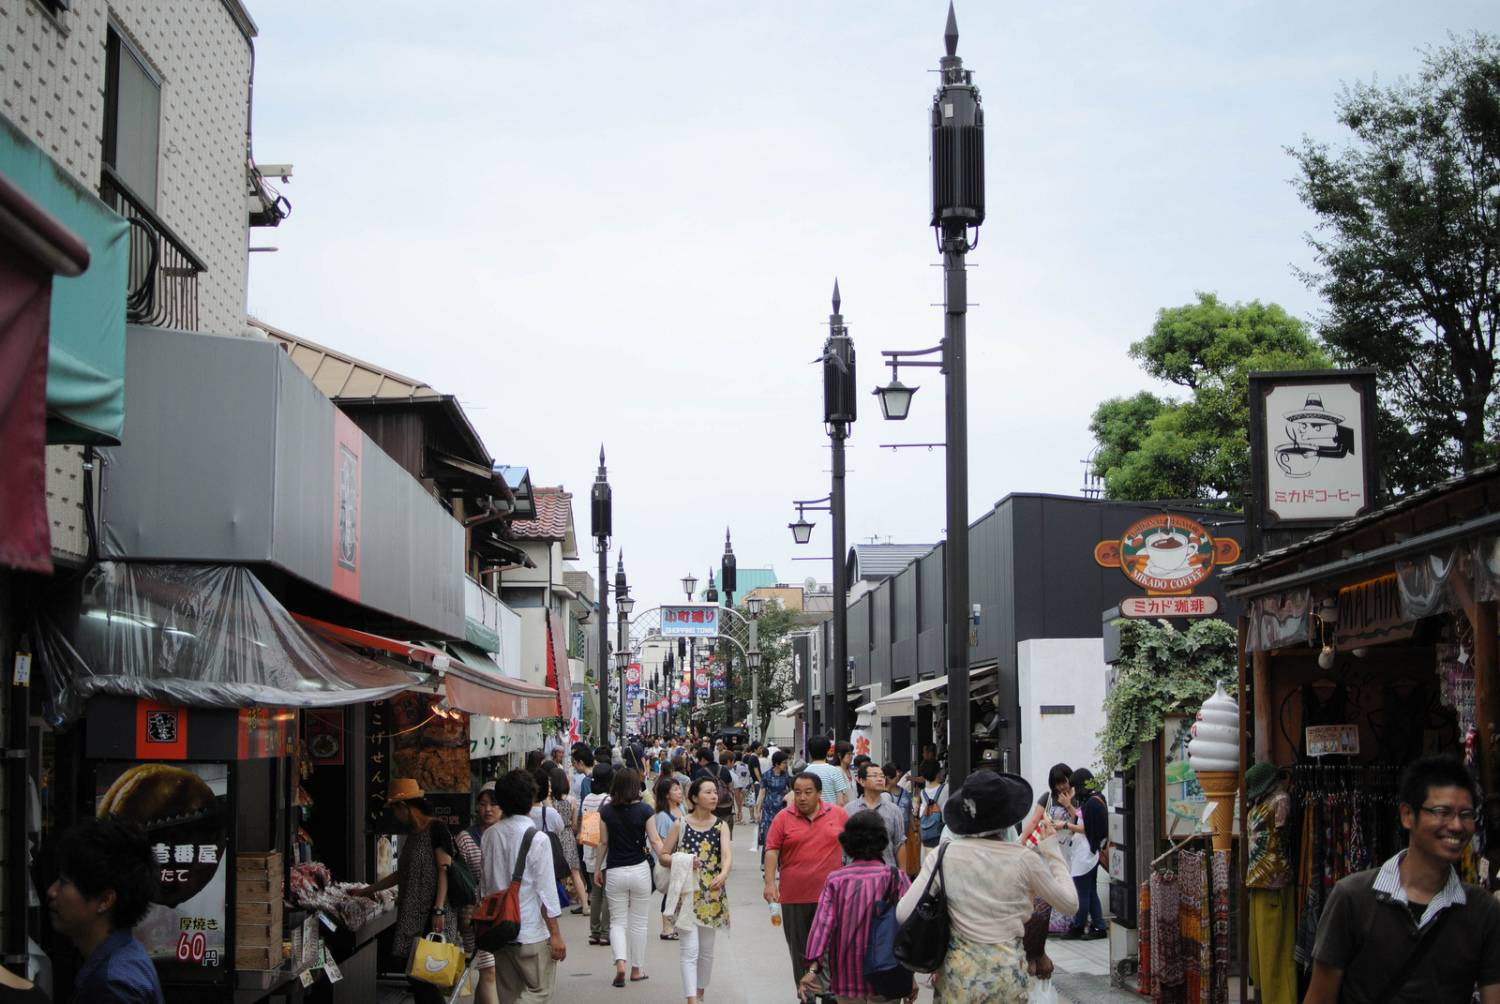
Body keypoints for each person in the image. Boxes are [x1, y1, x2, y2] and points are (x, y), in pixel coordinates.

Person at [1304, 756, 1500, 1004]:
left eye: (1466, 814)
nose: (1457, 825)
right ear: (1407, 815)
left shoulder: (1483, 910)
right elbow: (1320, 998)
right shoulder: (1352, 898)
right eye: (1442, 812)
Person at [896, 771, 1077, 1003]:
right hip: (1006, 975)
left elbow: (903, 913)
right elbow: (1070, 904)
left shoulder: (943, 855)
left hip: (957, 977)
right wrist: (1051, 850)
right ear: (1008, 814)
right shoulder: (1023, 859)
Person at [355, 779, 458, 1004]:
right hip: (412, 914)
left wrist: (438, 910)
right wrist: (367, 890)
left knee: (424, 975)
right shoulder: (413, 833)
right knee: (415, 973)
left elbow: (444, 870)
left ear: (404, 807)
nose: (395, 815)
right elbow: (401, 874)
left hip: (431, 914)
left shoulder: (436, 828)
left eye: (394, 809)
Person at [799, 811, 913, 1004]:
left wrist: (812, 968)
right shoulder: (895, 878)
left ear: (847, 842)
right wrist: (910, 974)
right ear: (882, 841)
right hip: (888, 974)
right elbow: (911, 927)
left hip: (847, 976)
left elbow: (822, 926)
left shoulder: (836, 880)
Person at [46, 817, 163, 1004]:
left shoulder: (112, 986)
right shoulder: (126, 955)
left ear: (105, 900)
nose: (52, 891)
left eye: (64, 883)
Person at [482, 769, 566, 1003]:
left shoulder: (490, 835)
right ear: (530, 799)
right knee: (540, 990)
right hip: (529, 931)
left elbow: (485, 885)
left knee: (508, 994)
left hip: (499, 928)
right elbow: (547, 891)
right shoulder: (537, 839)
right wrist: (556, 935)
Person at [763, 772, 849, 998]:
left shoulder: (839, 815)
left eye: (808, 792)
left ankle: (830, 996)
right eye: (798, 792)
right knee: (801, 953)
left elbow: (853, 848)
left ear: (819, 793)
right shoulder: (783, 817)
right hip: (795, 897)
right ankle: (806, 996)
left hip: (832, 899)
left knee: (831, 952)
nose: (802, 798)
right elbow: (772, 850)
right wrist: (770, 883)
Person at [660, 777, 733, 1004]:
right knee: (689, 950)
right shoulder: (679, 824)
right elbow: (663, 855)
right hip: (686, 895)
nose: (714, 796)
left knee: (707, 952)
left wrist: (723, 874)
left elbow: (726, 856)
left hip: (712, 895)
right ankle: (692, 999)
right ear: (694, 797)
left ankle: (700, 992)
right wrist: (681, 860)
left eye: (715, 792)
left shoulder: (721, 826)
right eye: (708, 792)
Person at [594, 767, 655, 987]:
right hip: (639, 870)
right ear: (636, 786)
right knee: (639, 923)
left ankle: (620, 963)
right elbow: (655, 841)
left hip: (615, 871)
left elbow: (603, 843)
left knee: (617, 922)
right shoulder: (646, 810)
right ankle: (636, 970)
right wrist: (668, 858)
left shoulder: (606, 812)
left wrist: (598, 868)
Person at [1243, 763, 1294, 1004]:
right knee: (1260, 949)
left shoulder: (1280, 800)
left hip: (1274, 880)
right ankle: (1264, 996)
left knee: (1275, 947)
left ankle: (1280, 998)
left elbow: (1282, 835)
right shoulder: (1259, 804)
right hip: (1258, 880)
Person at [455, 782, 501, 1004]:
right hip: (474, 913)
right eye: (483, 804)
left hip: (503, 911)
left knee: (494, 972)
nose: (488, 809)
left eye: (494, 804)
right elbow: (458, 878)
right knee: (488, 969)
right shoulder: (465, 838)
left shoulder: (507, 835)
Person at [1064, 768, 1108, 940]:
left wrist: (1065, 826)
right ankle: (1099, 926)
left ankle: (1078, 925)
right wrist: (1069, 805)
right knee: (1090, 891)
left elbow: (1087, 829)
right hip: (1090, 853)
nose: (1073, 790)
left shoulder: (1091, 803)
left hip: (1086, 854)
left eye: (1074, 786)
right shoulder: (1096, 798)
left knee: (1082, 892)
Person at [544, 767, 589, 917]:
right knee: (575, 873)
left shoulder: (549, 802)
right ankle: (584, 905)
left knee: (554, 873)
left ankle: (556, 905)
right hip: (568, 834)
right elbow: (575, 824)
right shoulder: (572, 800)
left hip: (554, 837)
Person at [580, 764, 614, 946]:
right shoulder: (608, 800)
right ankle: (605, 932)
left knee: (595, 892)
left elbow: (585, 823)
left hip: (589, 848)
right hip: (604, 850)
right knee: (607, 893)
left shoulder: (587, 799)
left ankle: (594, 931)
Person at [851, 762, 906, 870]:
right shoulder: (850, 810)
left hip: (887, 874)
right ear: (862, 781)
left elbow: (899, 844)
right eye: (875, 776)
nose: (880, 779)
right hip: (856, 875)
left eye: (882, 776)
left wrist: (903, 876)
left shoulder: (894, 810)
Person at [652, 775, 685, 941]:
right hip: (671, 860)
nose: (679, 792)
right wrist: (670, 859)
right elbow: (663, 843)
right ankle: (666, 928)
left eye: (679, 788)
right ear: (666, 795)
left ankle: (675, 924)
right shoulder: (663, 816)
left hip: (682, 858)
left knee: (678, 893)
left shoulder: (682, 809)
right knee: (670, 893)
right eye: (675, 789)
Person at [757, 751, 793, 862]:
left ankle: (780, 864)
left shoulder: (786, 775)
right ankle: (765, 864)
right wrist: (757, 810)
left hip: (782, 809)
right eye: (784, 763)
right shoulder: (767, 775)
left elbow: (791, 791)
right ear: (776, 764)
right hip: (768, 810)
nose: (785, 765)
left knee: (782, 837)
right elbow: (762, 793)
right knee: (768, 837)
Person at [801, 736, 851, 806]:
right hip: (831, 814)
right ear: (827, 751)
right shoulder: (835, 771)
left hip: (811, 814)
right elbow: (841, 801)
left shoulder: (804, 773)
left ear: (809, 751)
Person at [915, 758, 947, 847]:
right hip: (942, 832)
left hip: (927, 833)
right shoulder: (946, 789)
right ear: (937, 773)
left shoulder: (923, 792)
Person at [712, 752, 738, 836]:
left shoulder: (711, 770)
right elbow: (736, 792)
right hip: (726, 808)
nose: (733, 764)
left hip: (713, 806)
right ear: (729, 761)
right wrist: (739, 810)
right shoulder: (732, 774)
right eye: (733, 761)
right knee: (725, 833)